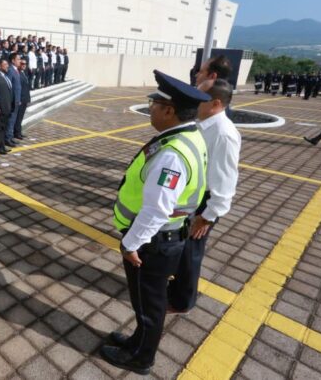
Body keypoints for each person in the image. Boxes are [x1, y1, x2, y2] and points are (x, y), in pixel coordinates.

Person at [101, 71, 210, 375]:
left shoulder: (172, 155)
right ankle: (138, 341)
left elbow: (156, 210)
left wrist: (129, 243)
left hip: (153, 243)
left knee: (148, 304)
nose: (150, 107)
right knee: (146, 301)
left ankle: (141, 358)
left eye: (154, 103)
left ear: (169, 111)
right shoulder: (189, 135)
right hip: (163, 239)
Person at [167, 78, 241, 314]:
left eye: (201, 96)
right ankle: (178, 287)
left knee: (191, 252)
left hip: (205, 203)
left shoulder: (224, 134)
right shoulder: (205, 124)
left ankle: (182, 301)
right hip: (194, 197)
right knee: (183, 248)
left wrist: (207, 217)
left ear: (215, 103)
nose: (194, 100)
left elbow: (226, 182)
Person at [0, 58, 13, 155]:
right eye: (5, 64)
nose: (7, 66)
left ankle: (2, 145)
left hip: (7, 106)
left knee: (3, 127)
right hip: (1, 108)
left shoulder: (5, 76)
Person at [4, 53, 22, 147]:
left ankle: (10, 137)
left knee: (13, 119)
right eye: (18, 59)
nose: (20, 61)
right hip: (13, 99)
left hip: (17, 99)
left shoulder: (16, 70)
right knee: (11, 120)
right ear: (13, 60)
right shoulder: (11, 70)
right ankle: (7, 138)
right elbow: (9, 86)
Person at [14, 59, 31, 140]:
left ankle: (19, 131)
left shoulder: (23, 73)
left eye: (25, 63)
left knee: (20, 117)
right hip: (20, 99)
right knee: (18, 117)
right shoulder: (18, 74)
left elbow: (26, 88)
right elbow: (18, 88)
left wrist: (28, 99)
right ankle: (17, 133)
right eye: (22, 63)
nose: (24, 65)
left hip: (25, 99)